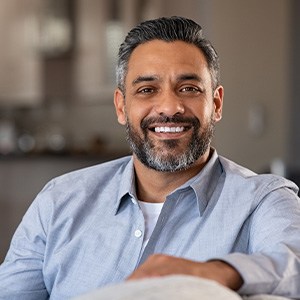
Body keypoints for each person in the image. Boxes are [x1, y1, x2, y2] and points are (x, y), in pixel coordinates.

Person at [0, 16, 299, 300]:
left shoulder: (264, 199)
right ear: (121, 106)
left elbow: (293, 263)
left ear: (216, 104)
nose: (170, 106)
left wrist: (213, 272)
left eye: (189, 88)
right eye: (147, 89)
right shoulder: (59, 201)